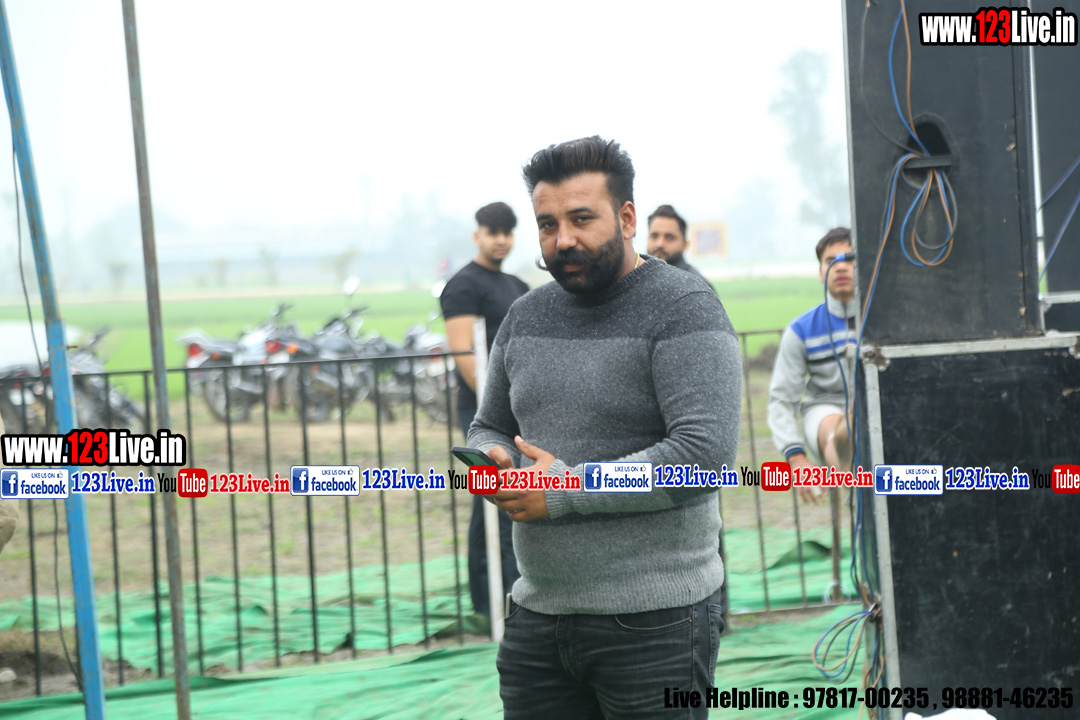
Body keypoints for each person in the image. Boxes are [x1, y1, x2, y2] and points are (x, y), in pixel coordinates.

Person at [468, 136, 742, 719]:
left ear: (627, 218)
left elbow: (702, 457)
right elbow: (488, 425)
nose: (562, 239)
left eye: (581, 219)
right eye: (547, 224)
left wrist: (564, 490)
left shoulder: (684, 306)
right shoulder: (525, 316)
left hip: (656, 624)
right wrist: (492, 462)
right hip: (538, 618)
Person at [439, 201, 529, 617]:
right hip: (481, 411)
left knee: (505, 499)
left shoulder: (517, 284)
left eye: (507, 232)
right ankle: (489, 600)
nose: (501, 240)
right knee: (492, 499)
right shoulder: (463, 285)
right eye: (493, 232)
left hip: (518, 408)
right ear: (478, 235)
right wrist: (496, 404)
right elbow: (465, 353)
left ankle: (507, 594)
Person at [767, 227, 857, 503]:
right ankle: (845, 455)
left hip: (881, 408)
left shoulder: (886, 320)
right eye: (830, 261)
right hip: (824, 409)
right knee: (834, 427)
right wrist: (796, 457)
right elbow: (781, 400)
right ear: (820, 272)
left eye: (849, 258)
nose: (840, 266)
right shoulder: (800, 331)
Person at [646, 203, 716, 294]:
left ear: (685, 245)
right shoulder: (640, 280)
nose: (660, 244)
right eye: (654, 236)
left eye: (669, 237)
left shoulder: (697, 288)